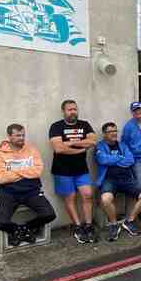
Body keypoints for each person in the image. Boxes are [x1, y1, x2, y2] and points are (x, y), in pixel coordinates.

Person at [0, 124, 56, 247]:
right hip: (9, 193)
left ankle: (24, 229)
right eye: (18, 135)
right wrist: (25, 171)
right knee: (0, 223)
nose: (21, 138)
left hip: (31, 191)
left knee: (49, 214)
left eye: (23, 135)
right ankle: (21, 231)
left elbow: (37, 171)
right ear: (9, 136)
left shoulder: (32, 150)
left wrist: (12, 172)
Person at [49, 100, 98, 244]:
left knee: (88, 195)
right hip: (62, 170)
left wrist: (69, 143)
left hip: (81, 169)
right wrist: (82, 148)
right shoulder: (56, 126)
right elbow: (58, 149)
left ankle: (88, 225)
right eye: (69, 109)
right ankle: (77, 226)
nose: (73, 112)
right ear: (63, 111)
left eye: (75, 109)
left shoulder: (85, 124)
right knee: (70, 198)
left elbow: (93, 141)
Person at [95, 122, 141, 241]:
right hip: (109, 180)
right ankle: (114, 225)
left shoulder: (123, 145)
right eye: (110, 132)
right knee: (105, 199)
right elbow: (102, 159)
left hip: (126, 180)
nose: (114, 133)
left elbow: (130, 160)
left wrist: (113, 160)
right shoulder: (100, 146)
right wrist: (120, 158)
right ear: (104, 134)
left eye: (115, 131)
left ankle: (129, 221)